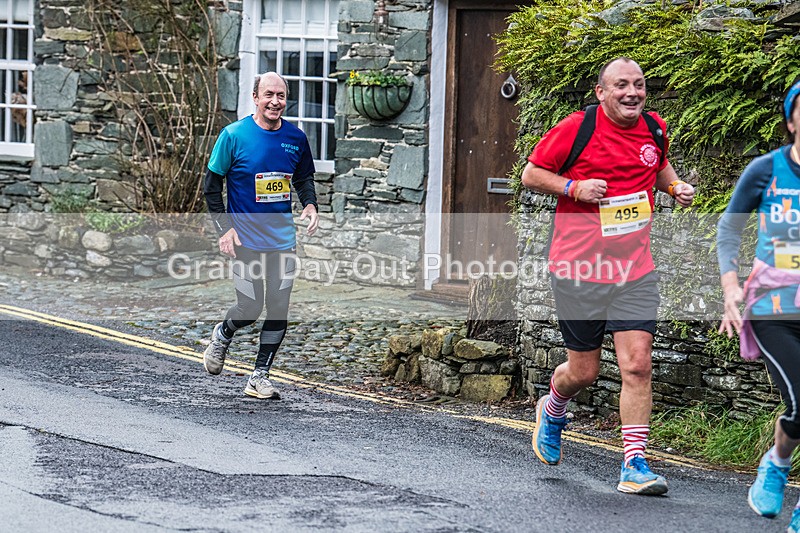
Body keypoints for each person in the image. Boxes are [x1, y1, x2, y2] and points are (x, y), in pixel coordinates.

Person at [521, 57, 695, 495]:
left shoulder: (654, 127)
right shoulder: (576, 128)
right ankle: (553, 406)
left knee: (637, 365)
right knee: (584, 371)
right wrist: (573, 188)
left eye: (639, 84)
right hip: (579, 268)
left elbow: (657, 166)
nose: (632, 92)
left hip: (635, 270)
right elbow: (531, 174)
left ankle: (634, 464)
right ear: (601, 92)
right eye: (621, 85)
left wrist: (674, 186)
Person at [202, 71, 319, 399]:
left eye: (281, 95)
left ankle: (259, 376)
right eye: (269, 94)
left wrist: (310, 204)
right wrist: (225, 229)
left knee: (278, 308)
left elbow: (304, 178)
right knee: (250, 308)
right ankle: (223, 334)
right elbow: (211, 186)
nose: (275, 102)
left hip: (282, 242)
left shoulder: (295, 138)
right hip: (245, 241)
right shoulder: (233, 135)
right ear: (255, 97)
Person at [717, 79, 800, 531]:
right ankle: (777, 463)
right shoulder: (766, 170)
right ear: (791, 121)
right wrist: (731, 286)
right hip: (775, 309)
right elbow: (729, 230)